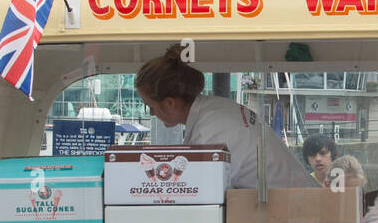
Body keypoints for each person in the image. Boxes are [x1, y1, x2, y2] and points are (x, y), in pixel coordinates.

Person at [134, 46, 314, 191]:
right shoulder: (215, 110)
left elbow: (205, 194)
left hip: (299, 216)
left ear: (169, 103)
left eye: (150, 106)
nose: (151, 113)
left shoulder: (211, 130)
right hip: (293, 206)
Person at [302, 134, 367, 193]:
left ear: (332, 155)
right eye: (312, 155)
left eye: (323, 153)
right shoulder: (302, 183)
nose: (318, 159)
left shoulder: (353, 177)